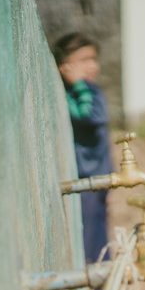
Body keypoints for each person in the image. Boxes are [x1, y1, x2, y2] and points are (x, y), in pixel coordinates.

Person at [53, 32, 113, 265]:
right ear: (64, 66)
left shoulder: (90, 90)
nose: (92, 65)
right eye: (83, 60)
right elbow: (91, 116)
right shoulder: (72, 94)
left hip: (100, 176)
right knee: (86, 243)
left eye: (93, 59)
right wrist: (77, 84)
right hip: (82, 178)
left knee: (100, 237)